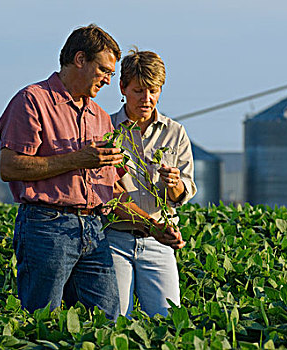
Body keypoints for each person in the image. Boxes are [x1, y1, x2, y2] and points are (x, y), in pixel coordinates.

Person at [0, 25, 183, 320]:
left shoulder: (99, 116)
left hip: (94, 230)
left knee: (107, 321)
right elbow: (9, 167)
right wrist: (77, 160)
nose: (109, 80)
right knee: (43, 320)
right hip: (47, 227)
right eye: (104, 71)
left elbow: (113, 192)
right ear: (80, 59)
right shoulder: (33, 100)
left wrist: (152, 227)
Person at [106, 49, 197, 318]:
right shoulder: (107, 128)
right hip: (115, 238)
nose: (147, 99)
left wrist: (174, 184)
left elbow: (184, 191)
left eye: (154, 91)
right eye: (139, 91)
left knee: (167, 319)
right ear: (122, 87)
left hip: (160, 241)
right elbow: (105, 190)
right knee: (116, 319)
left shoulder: (175, 132)